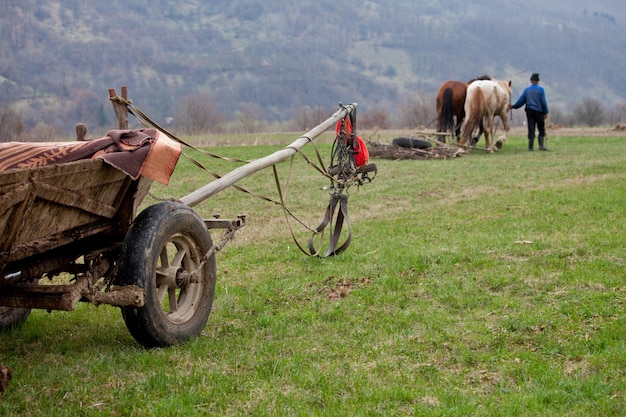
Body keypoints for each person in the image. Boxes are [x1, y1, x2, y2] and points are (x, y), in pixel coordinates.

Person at [511, 73, 549, 151]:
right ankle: (541, 145)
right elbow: (543, 102)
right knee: (541, 128)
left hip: (529, 111)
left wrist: (513, 106)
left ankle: (530, 147)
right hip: (539, 111)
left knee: (531, 128)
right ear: (538, 81)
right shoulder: (541, 90)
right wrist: (545, 112)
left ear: (531, 81)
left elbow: (521, 101)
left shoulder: (527, 90)